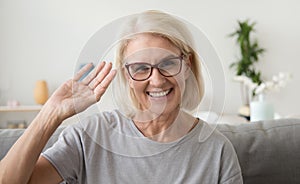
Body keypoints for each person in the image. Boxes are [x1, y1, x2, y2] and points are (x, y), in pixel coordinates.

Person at [0, 10, 243, 184]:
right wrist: (51, 113)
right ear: (126, 75)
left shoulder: (217, 151)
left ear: (187, 66)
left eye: (168, 63)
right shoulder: (91, 136)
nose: (157, 80)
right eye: (140, 68)